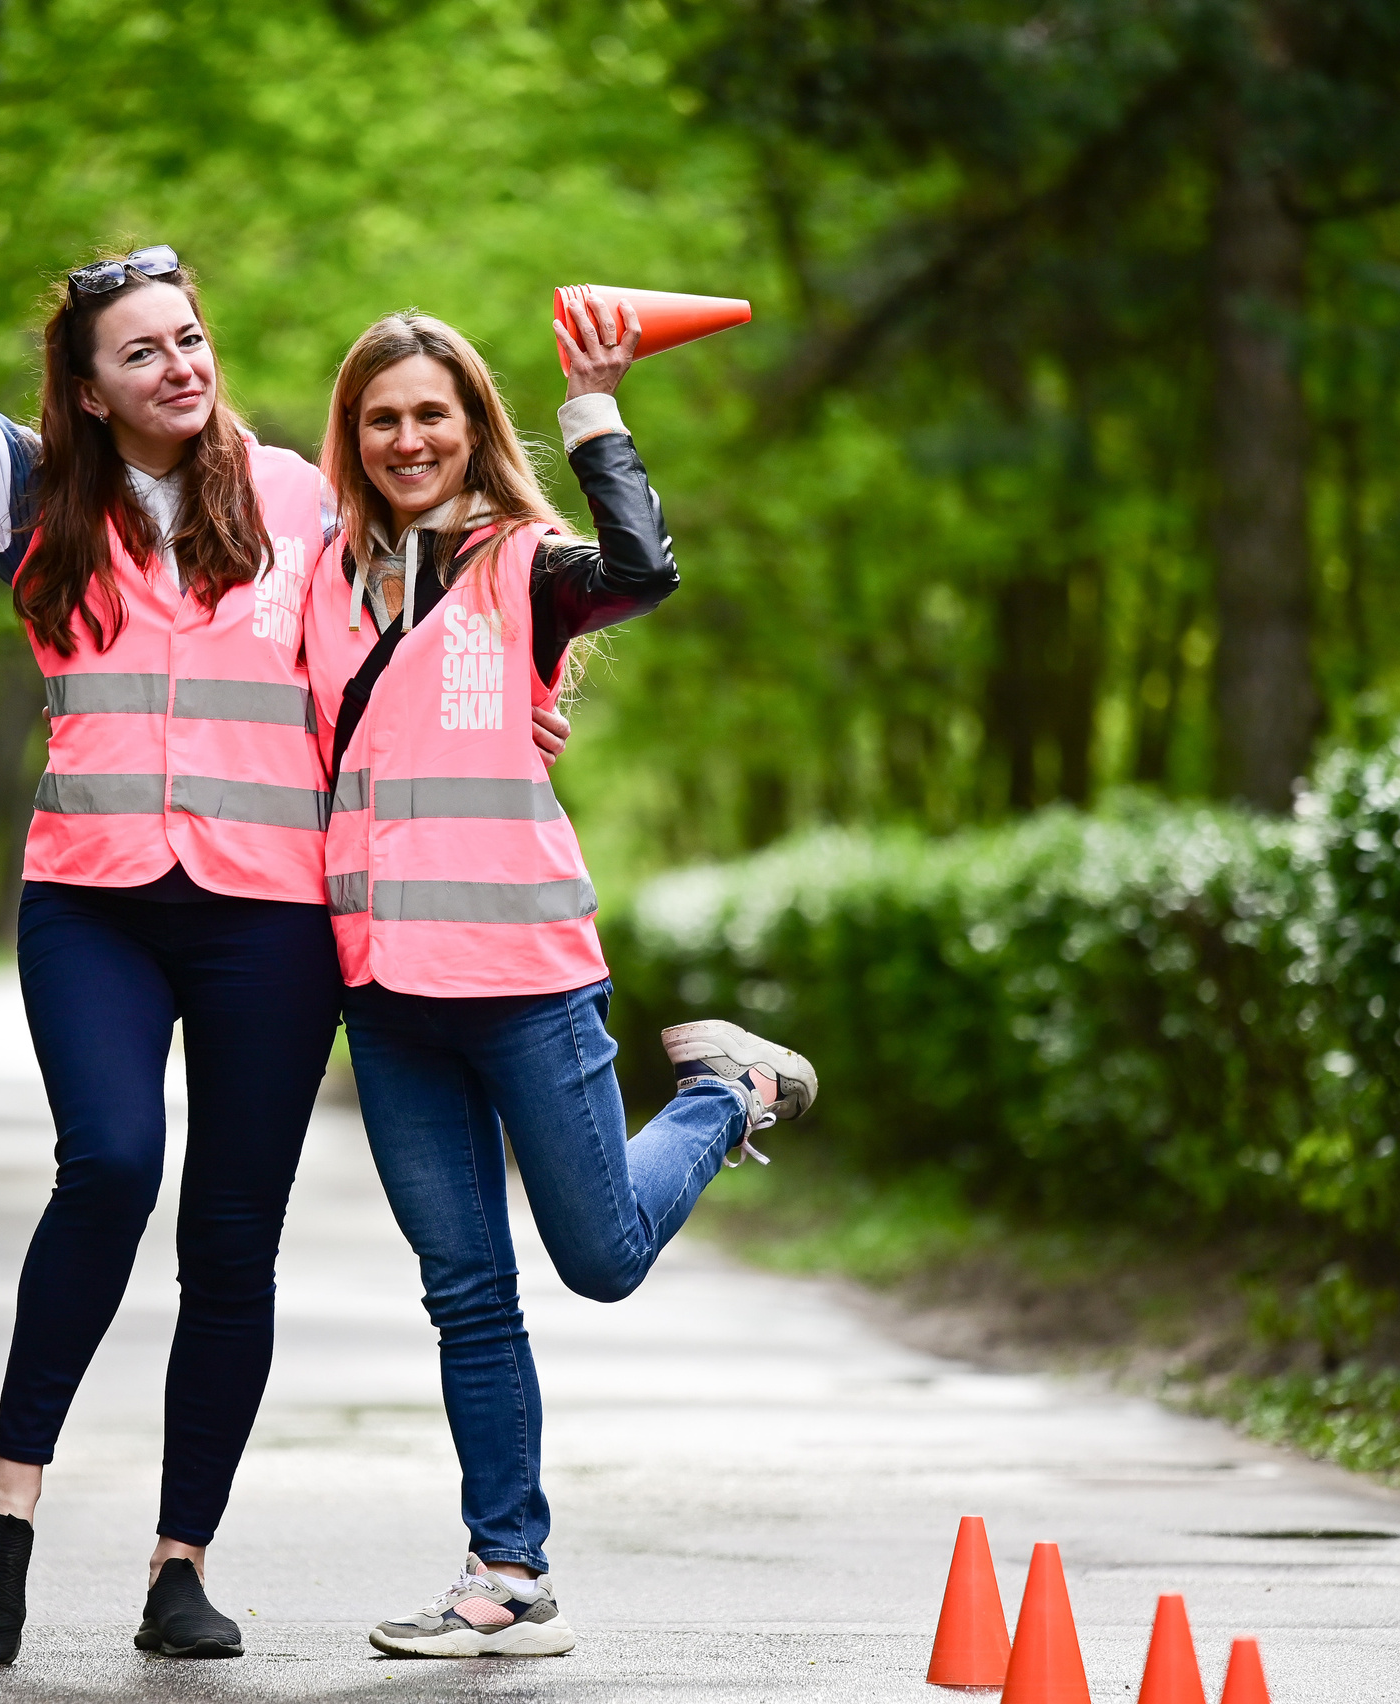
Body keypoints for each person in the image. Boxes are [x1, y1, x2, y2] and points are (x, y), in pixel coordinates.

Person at [0, 58, 570, 1667]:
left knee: (232, 1233)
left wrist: (515, 720)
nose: (183, 365)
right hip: (92, 895)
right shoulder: (27, 493)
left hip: (269, 915)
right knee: (109, 1167)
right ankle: (6, 1508)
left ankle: (177, 1564)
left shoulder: (300, 499)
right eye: (144, 352)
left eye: (194, 340)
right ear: (88, 386)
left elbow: (451, 604)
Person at [303, 295, 819, 1658]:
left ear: (474, 427)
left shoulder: (524, 567)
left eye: (434, 412)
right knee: (465, 1290)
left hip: (527, 979)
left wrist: (594, 408)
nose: (410, 435)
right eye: (383, 417)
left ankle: (725, 1092)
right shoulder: (317, 580)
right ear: (352, 439)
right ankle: (508, 1578)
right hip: (391, 999)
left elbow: (645, 572)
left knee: (596, 1260)